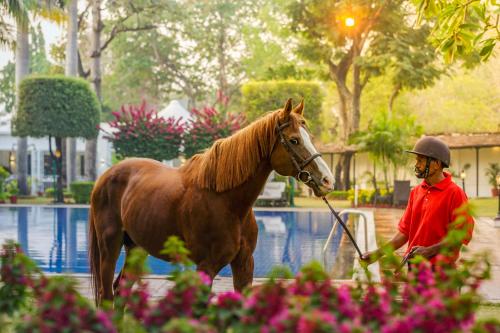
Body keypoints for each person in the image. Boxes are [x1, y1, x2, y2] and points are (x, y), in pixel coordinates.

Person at [361, 136, 474, 268]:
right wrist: (377, 254)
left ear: (436, 164)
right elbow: (404, 233)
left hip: (442, 274)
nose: (416, 165)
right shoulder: (416, 192)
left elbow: (461, 234)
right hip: (414, 269)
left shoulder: (455, 193)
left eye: (420, 160)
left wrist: (429, 251)